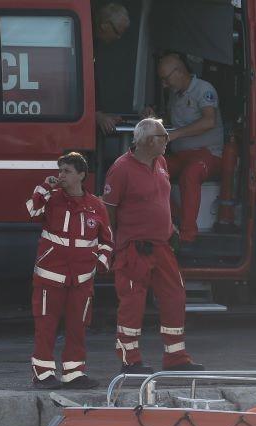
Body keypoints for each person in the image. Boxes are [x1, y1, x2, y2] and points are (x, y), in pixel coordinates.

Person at [103, 118, 203, 374]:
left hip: (162, 246)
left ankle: (176, 357)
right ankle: (130, 360)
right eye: (162, 136)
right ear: (147, 141)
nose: (167, 140)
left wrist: (171, 227)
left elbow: (162, 198)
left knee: (175, 297)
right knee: (132, 303)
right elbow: (109, 211)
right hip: (135, 248)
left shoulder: (160, 162)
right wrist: (116, 243)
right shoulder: (121, 168)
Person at [27, 153, 113, 389]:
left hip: (82, 279)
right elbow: (31, 211)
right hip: (50, 276)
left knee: (78, 327)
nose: (61, 175)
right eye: (60, 170)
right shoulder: (51, 199)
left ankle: (73, 373)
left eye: (67, 171)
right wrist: (44, 186)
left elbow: (107, 241)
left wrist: (100, 263)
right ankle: (42, 374)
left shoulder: (97, 205)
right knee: (46, 326)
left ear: (81, 175)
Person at [148, 53, 224, 244]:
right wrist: (154, 116)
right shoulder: (175, 94)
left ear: (180, 72)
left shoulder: (204, 89)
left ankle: (188, 235)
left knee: (190, 175)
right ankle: (175, 219)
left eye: (166, 79)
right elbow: (171, 121)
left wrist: (177, 134)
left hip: (208, 153)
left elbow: (209, 121)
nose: (164, 84)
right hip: (180, 154)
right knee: (149, 169)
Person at [93, 2, 131, 134]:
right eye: (117, 32)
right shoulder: (83, 39)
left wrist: (100, 114)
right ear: (104, 26)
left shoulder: (95, 42)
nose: (118, 38)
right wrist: (96, 115)